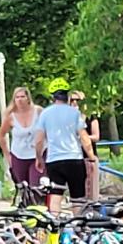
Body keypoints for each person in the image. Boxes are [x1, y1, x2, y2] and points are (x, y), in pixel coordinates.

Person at [33, 79, 93, 208]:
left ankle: (54, 224)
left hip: (54, 160)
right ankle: (78, 225)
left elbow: (39, 140)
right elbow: (84, 137)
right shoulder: (75, 113)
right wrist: (91, 156)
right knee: (77, 197)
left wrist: (38, 157)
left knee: (56, 194)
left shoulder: (45, 114)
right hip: (74, 159)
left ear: (52, 97)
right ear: (68, 95)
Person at [0, 87, 42, 205]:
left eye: (22, 96)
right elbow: (1, 135)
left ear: (28, 98)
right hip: (19, 155)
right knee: (23, 187)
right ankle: (25, 211)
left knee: (36, 186)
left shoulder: (38, 111)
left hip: (36, 155)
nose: (20, 100)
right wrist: (7, 155)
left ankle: (37, 209)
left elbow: (47, 129)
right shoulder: (11, 116)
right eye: (17, 97)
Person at [70, 90, 102, 200]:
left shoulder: (90, 116)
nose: (74, 102)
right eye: (71, 100)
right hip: (72, 157)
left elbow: (96, 136)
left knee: (91, 189)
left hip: (88, 155)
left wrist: (83, 138)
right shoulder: (66, 117)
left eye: (77, 100)